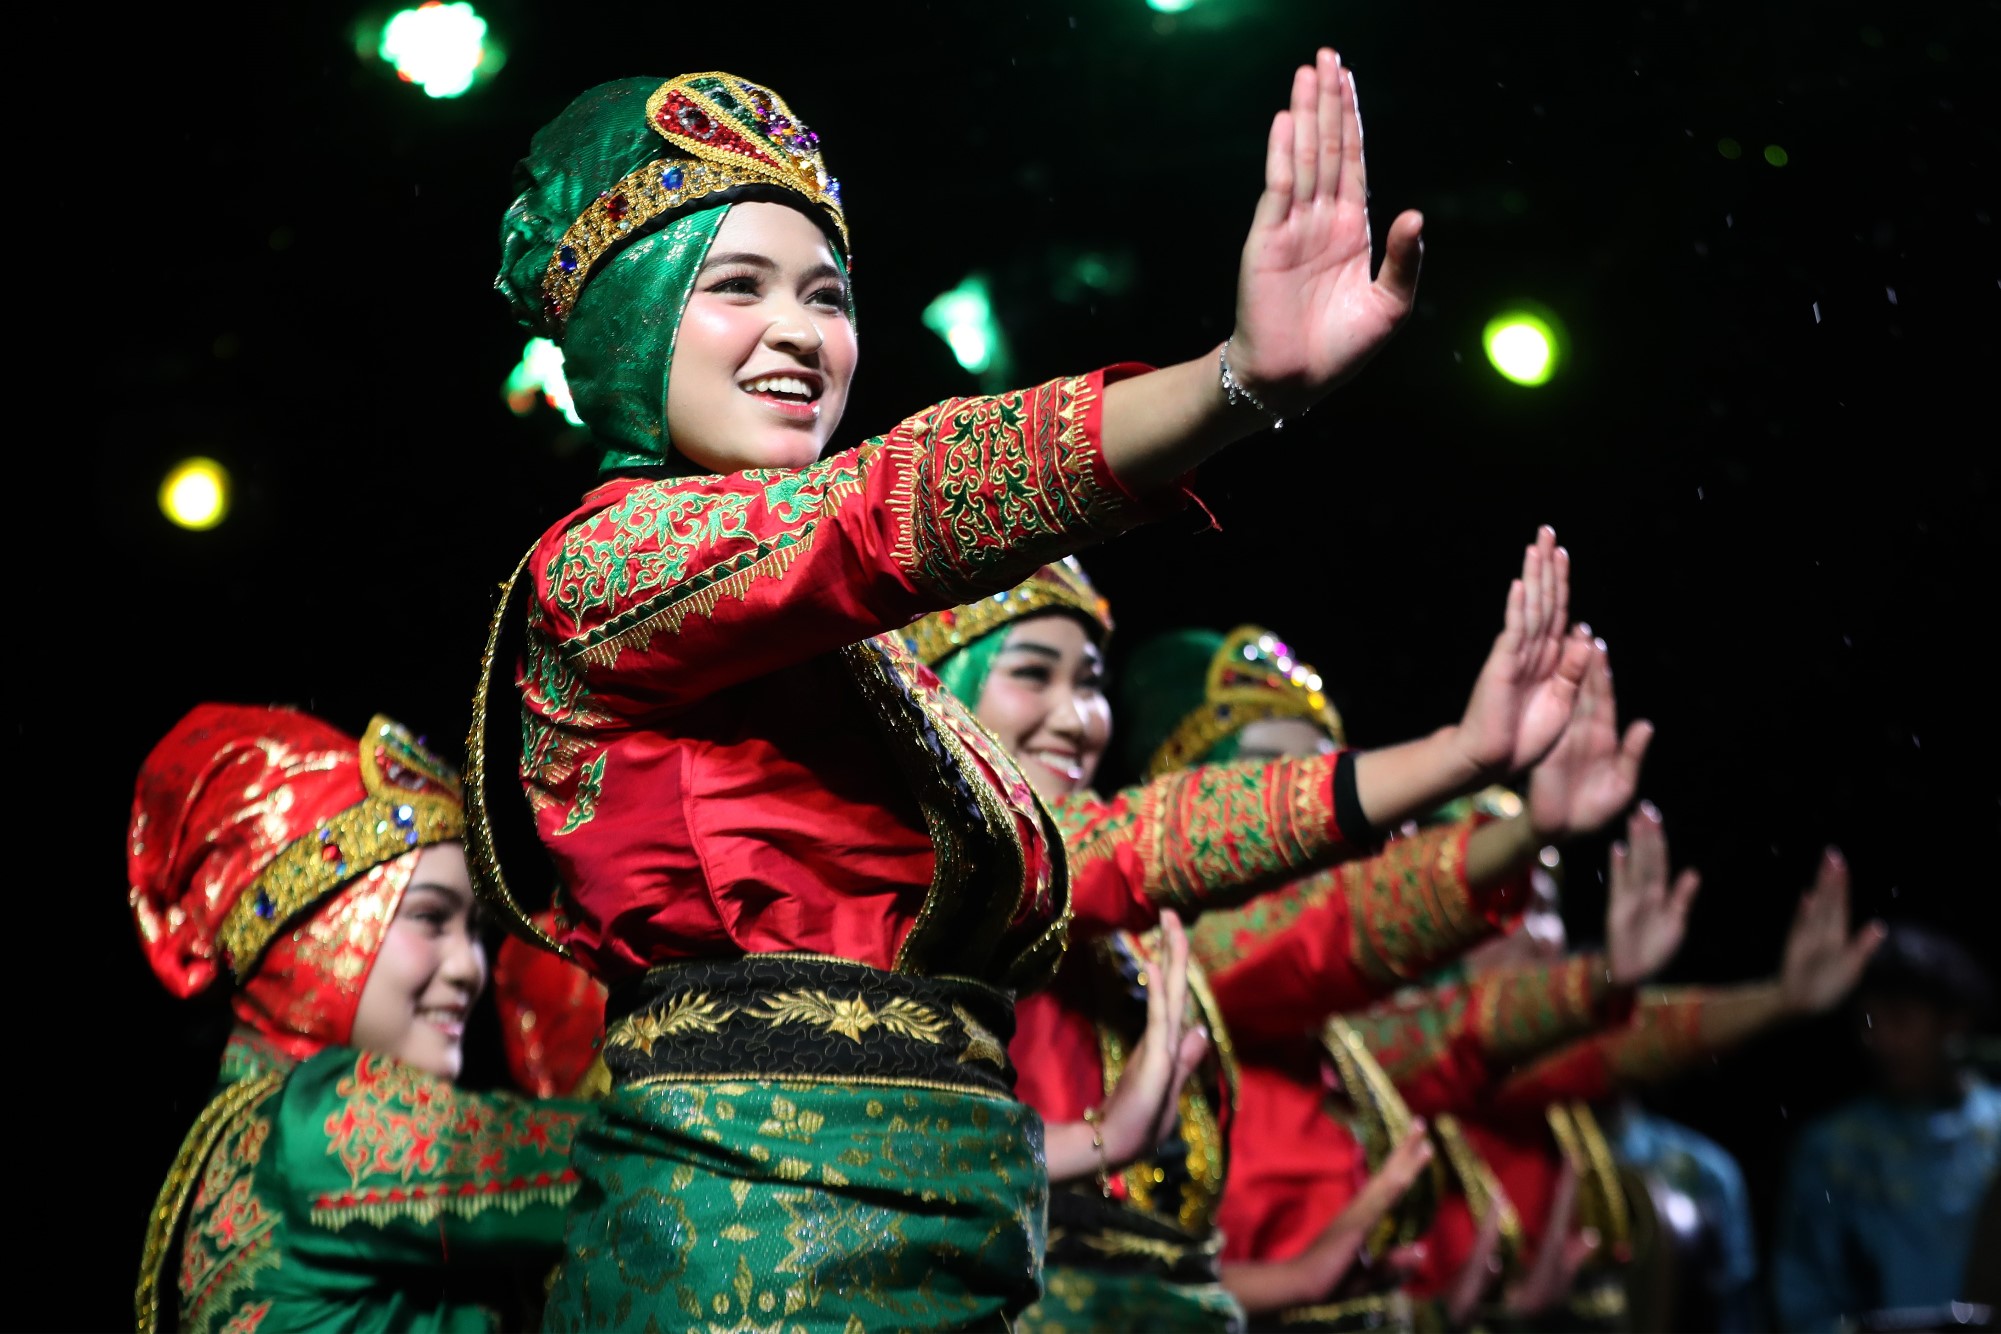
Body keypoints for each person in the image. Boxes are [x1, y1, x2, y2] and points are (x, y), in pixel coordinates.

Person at [471, 57, 1610, 1329]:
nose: (801, 330)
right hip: (749, 1275)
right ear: (630, 316)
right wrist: (1230, 382)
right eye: (736, 286)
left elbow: (1129, 840)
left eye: (828, 295)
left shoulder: (861, 679)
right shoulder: (605, 566)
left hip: (933, 1260)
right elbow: (885, 510)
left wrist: (1468, 757)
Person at [131, 705, 583, 1333]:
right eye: (430, 918)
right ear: (311, 929)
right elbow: (631, 1156)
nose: (470, 968)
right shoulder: (315, 1126)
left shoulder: (246, 1129)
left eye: (475, 931)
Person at [1773, 922, 2000, 1330]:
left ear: (1954, 1024)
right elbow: (1804, 1294)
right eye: (1869, 1022)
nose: (1881, 1041)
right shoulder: (1834, 1146)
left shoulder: (1995, 1129)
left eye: (1901, 1020)